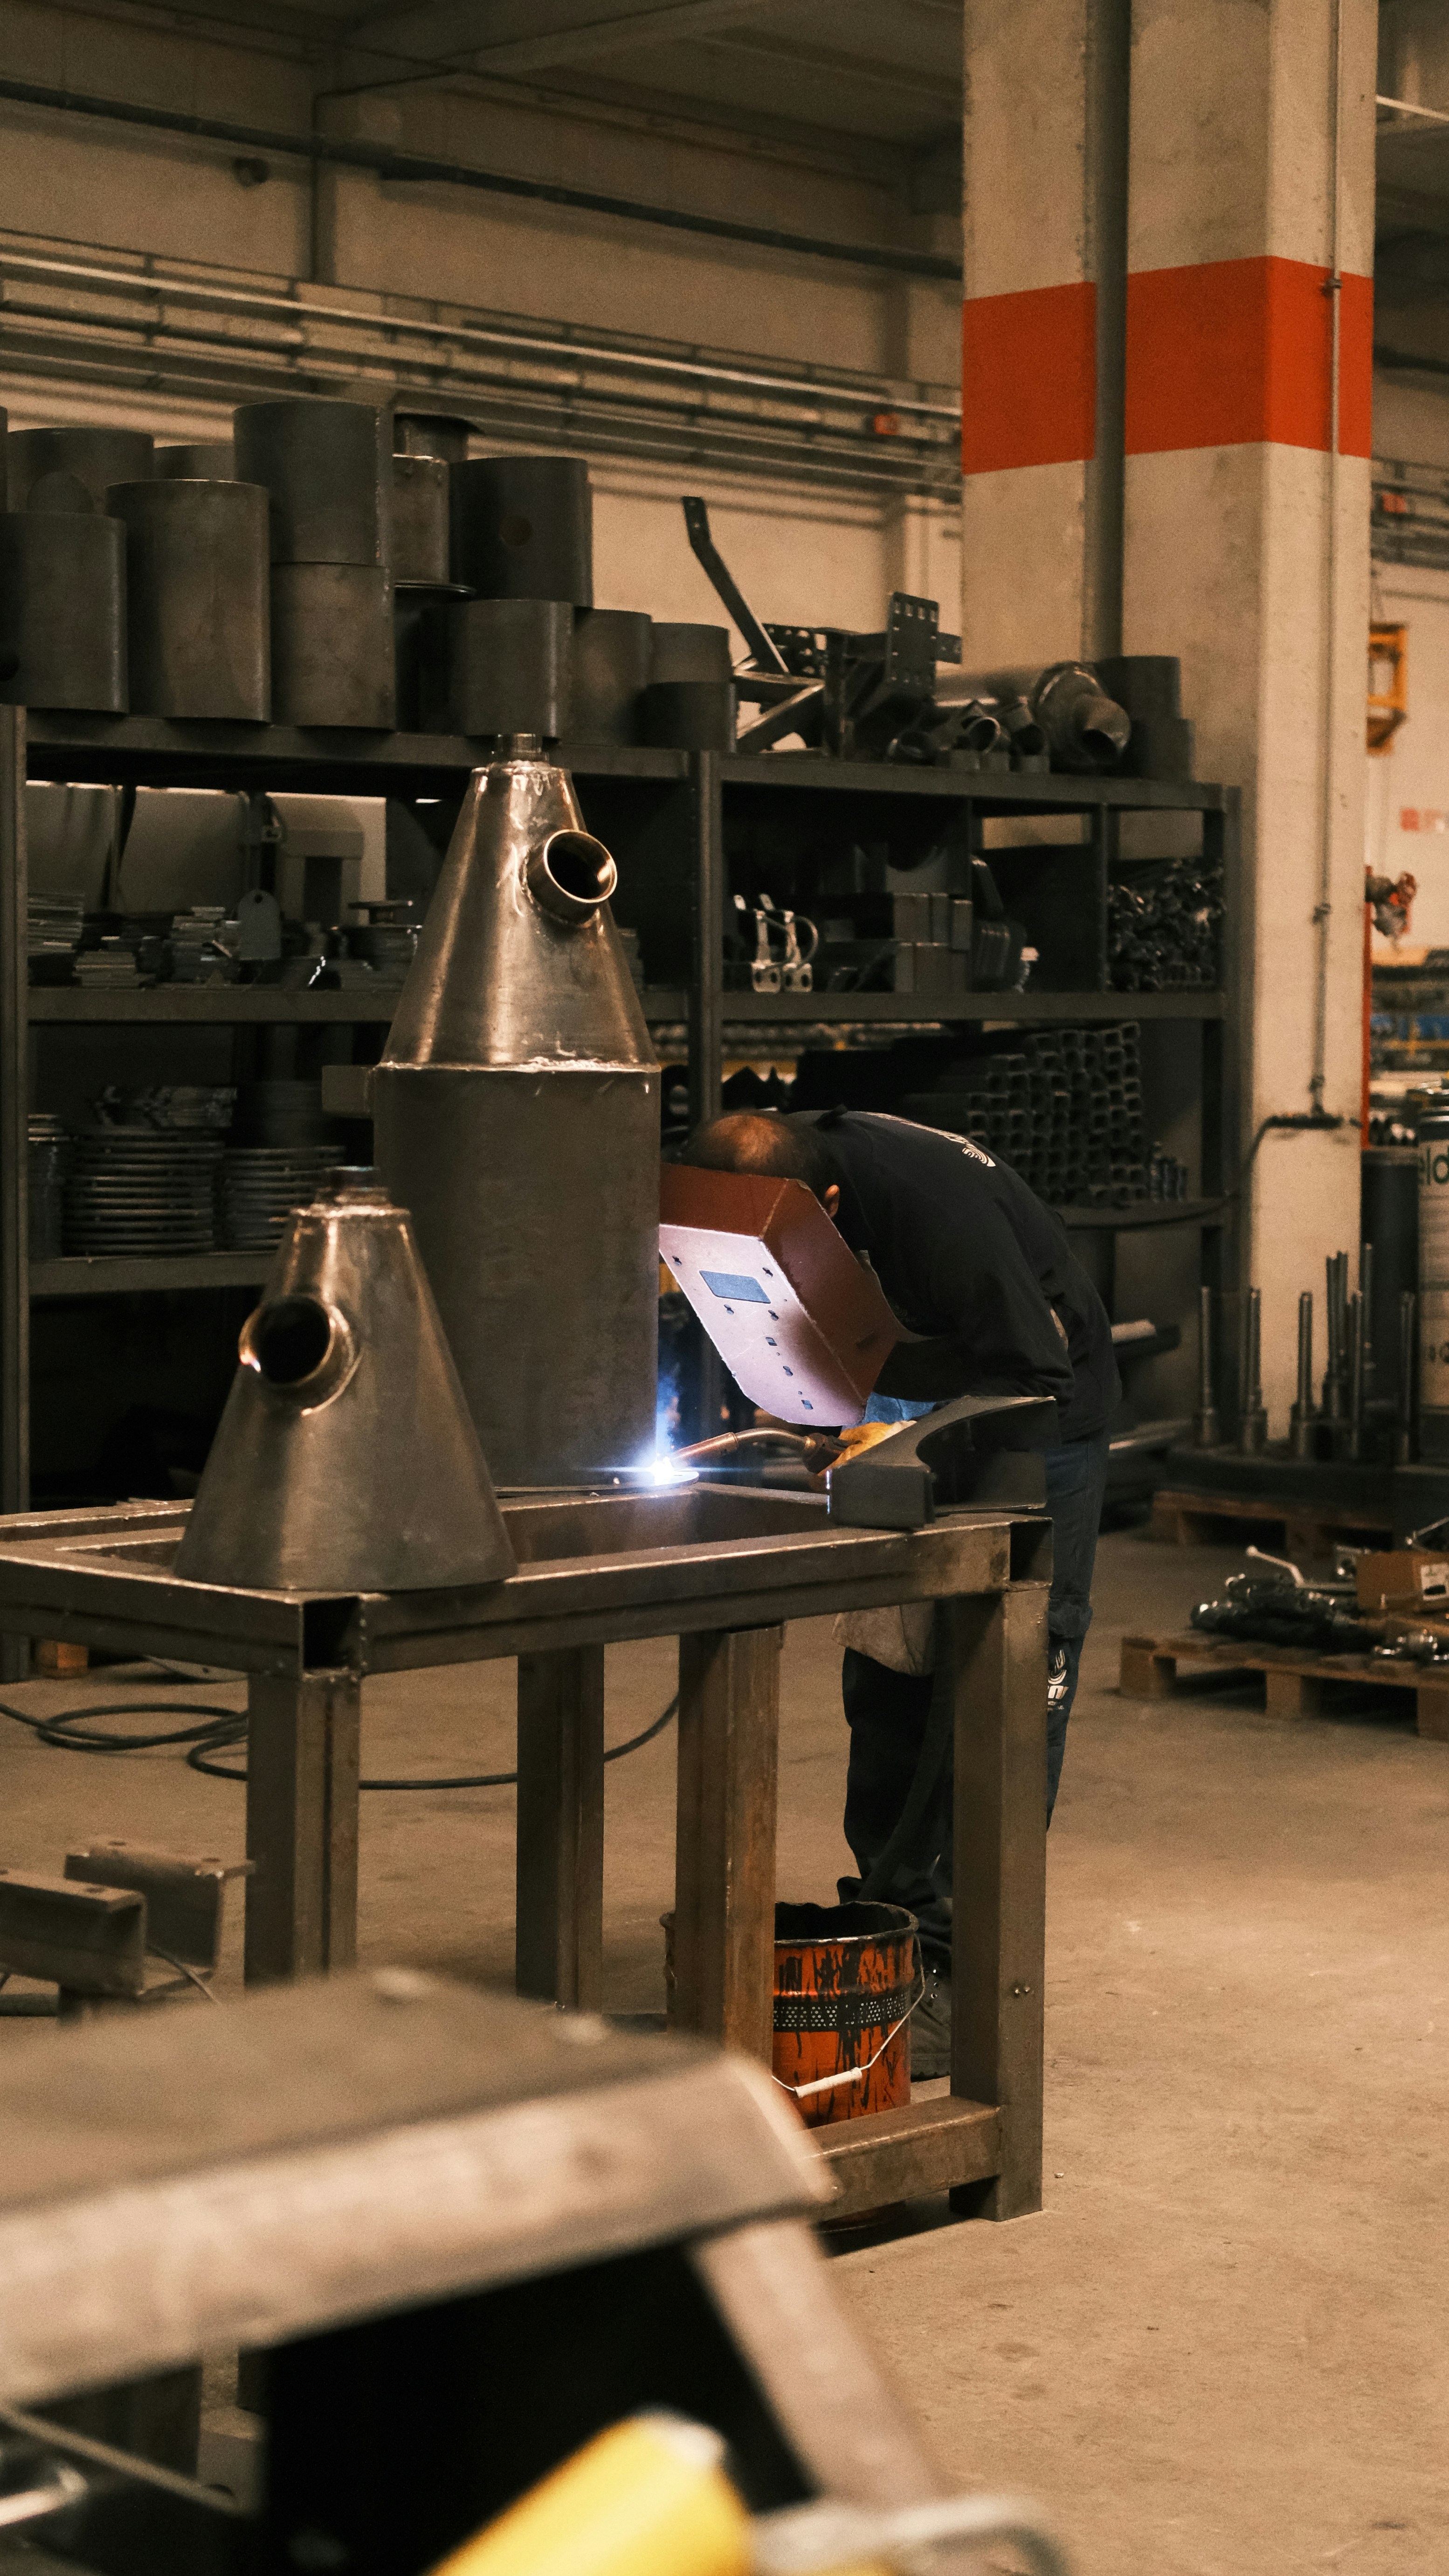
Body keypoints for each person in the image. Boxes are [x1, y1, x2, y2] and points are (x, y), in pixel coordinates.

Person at [681, 1105, 1119, 2076]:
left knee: (993, 1699)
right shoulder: (785, 1172)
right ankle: (887, 1923)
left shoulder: (937, 1211)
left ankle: (966, 1974)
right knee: (887, 1672)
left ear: (826, 1206)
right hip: (911, 1411)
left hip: (1029, 1435)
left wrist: (891, 1414)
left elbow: (1031, 1372)